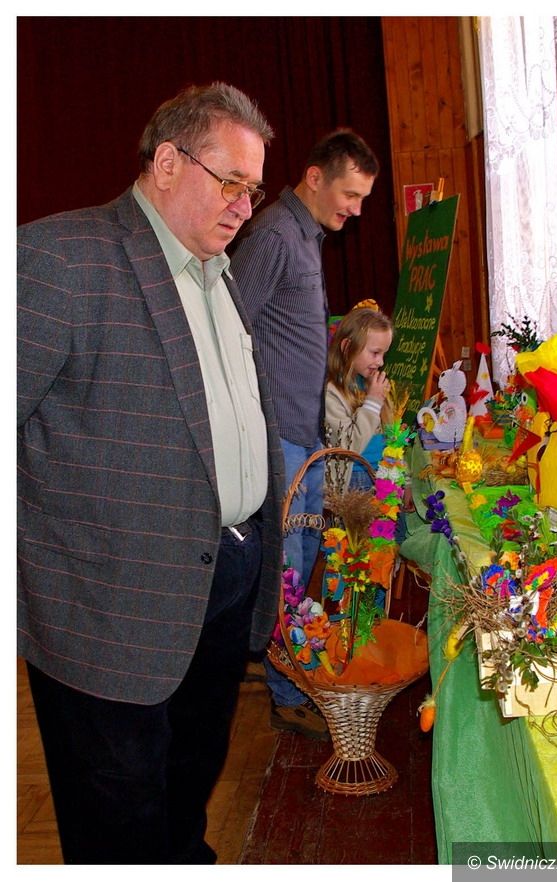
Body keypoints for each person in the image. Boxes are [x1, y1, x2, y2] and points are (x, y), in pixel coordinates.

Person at [17, 82, 285, 865]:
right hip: (108, 619)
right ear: (168, 163)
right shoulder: (60, 259)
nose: (244, 206)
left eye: (253, 189)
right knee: (119, 833)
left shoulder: (217, 272)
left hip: (220, 588)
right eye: (230, 182)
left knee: (186, 794)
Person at [231, 129, 379, 739]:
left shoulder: (307, 236)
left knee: (304, 556)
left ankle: (279, 665)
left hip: (304, 434)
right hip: (280, 439)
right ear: (315, 178)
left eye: (363, 198)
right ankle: (289, 691)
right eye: (350, 195)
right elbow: (230, 324)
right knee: (288, 568)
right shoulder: (273, 235)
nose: (357, 210)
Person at [325, 305, 395, 489]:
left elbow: (392, 436)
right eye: (375, 353)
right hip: (354, 482)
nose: (380, 362)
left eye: (384, 354)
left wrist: (405, 479)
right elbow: (347, 447)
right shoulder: (331, 393)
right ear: (348, 347)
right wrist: (373, 403)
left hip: (382, 476)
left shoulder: (371, 384)